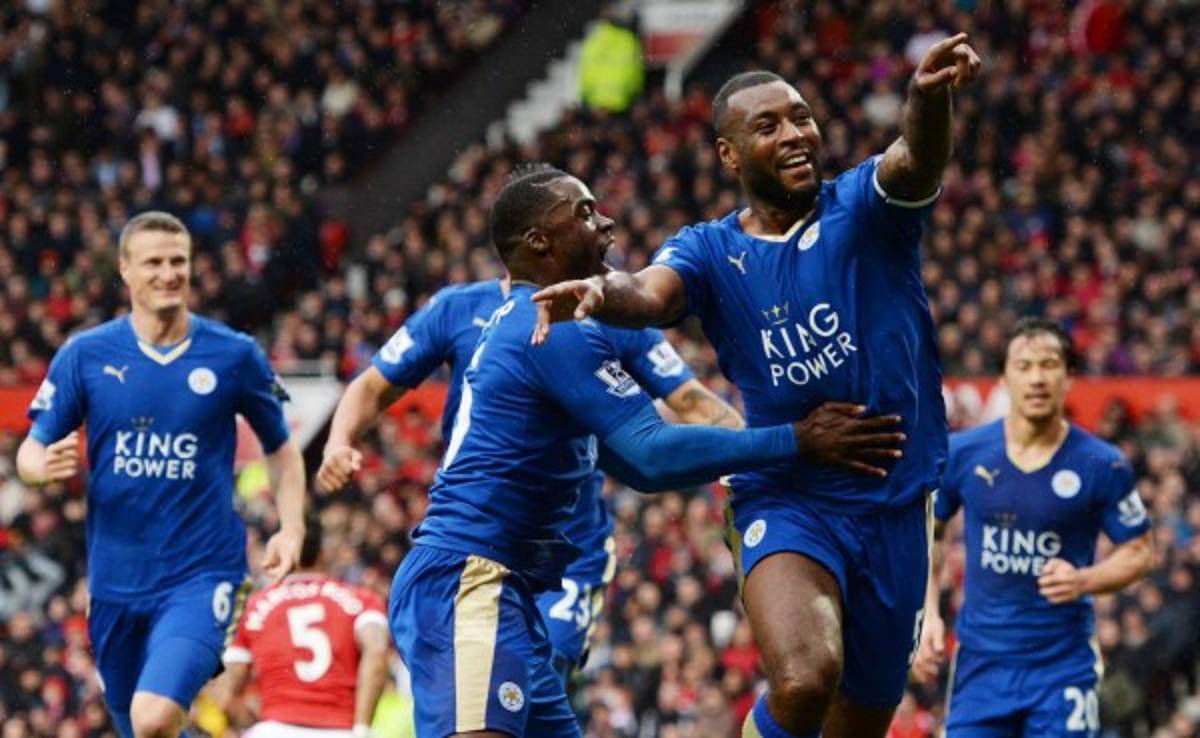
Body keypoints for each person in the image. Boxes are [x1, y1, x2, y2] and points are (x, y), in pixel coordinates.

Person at [531, 35, 983, 738]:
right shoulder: (710, 250)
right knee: (805, 679)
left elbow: (915, 159)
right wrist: (600, 290)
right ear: (730, 154)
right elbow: (648, 293)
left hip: (895, 501)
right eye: (767, 126)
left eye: (801, 117)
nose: (795, 133)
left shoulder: (863, 209)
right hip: (787, 492)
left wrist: (926, 102)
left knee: (857, 727)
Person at [388, 165, 906, 738]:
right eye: (584, 212)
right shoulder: (550, 328)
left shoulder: (544, 322)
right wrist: (796, 440)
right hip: (468, 580)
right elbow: (650, 455)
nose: (606, 221)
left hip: (502, 589)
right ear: (539, 242)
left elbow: (628, 454)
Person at [317, 266, 744, 686]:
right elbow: (371, 385)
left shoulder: (610, 311)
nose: (603, 234)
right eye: (586, 224)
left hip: (572, 549)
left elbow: (693, 402)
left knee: (538, 678)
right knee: (483, 694)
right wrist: (338, 440)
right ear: (537, 239)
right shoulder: (455, 309)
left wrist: (760, 460)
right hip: (478, 540)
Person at [15, 211, 306, 738]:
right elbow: (31, 450)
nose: (169, 274)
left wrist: (292, 528)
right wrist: (41, 469)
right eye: (154, 263)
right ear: (124, 270)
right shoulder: (86, 354)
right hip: (115, 585)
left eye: (179, 262)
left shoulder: (234, 355)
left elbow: (282, 450)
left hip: (201, 576)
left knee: (153, 718)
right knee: (138, 728)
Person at [913, 318, 1154, 737]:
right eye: (1023, 366)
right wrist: (927, 615)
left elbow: (1140, 550)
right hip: (981, 666)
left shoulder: (1102, 463)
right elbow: (927, 532)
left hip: (1064, 665)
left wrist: (1084, 580)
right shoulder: (963, 453)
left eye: (1049, 364)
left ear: (1069, 376)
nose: (1037, 378)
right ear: (1003, 377)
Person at [220, 513, 391, 738]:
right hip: (339, 729)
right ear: (323, 552)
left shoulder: (253, 607)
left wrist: (250, 720)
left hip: (274, 729)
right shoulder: (362, 600)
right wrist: (361, 728)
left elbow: (227, 694)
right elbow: (377, 652)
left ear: (279, 552)